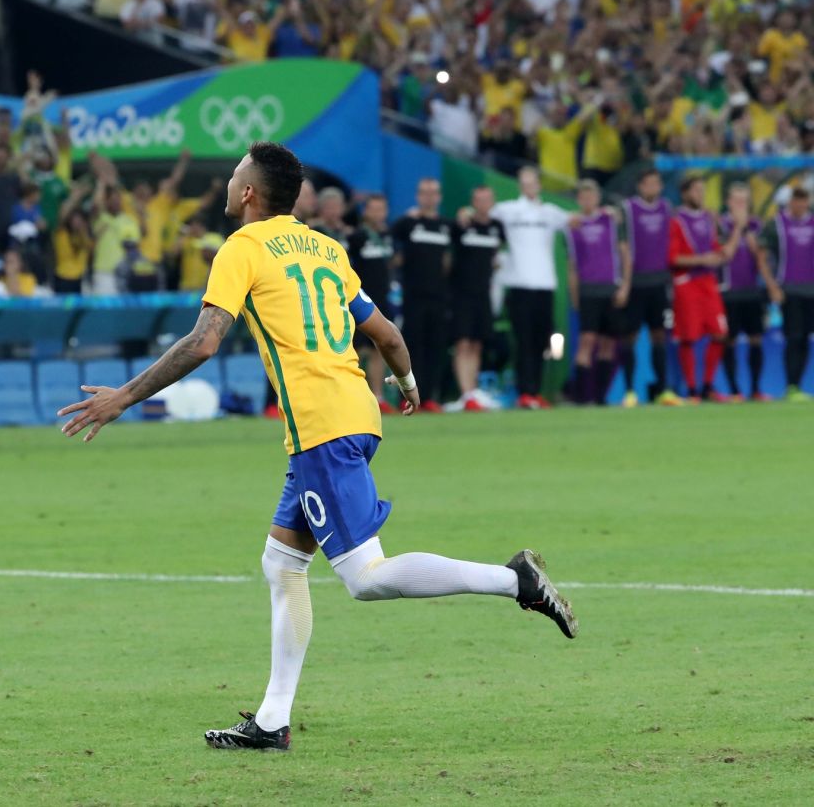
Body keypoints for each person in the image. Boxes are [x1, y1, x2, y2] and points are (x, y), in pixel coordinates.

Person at [56, 141, 577, 751]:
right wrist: (407, 385)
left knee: (366, 578)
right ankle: (272, 722)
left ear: (249, 193)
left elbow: (203, 342)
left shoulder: (242, 248)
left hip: (321, 429)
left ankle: (514, 580)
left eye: (234, 175)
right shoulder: (325, 248)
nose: (229, 183)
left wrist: (123, 397)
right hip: (354, 412)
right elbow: (383, 332)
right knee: (282, 564)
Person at [492, 167, 571, 409]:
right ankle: (524, 392)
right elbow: (480, 214)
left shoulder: (550, 213)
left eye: (533, 182)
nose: (529, 187)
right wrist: (465, 212)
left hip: (545, 285)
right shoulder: (508, 210)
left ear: (539, 185)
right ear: (519, 185)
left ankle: (535, 392)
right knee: (523, 341)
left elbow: (578, 221)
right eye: (524, 182)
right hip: (519, 286)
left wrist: (608, 213)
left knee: (541, 341)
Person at [669, 176, 743, 403]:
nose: (701, 195)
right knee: (688, 337)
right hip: (687, 284)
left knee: (720, 334)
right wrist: (703, 259)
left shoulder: (708, 219)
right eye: (696, 191)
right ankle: (692, 390)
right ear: (685, 193)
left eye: (703, 190)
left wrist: (739, 227)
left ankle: (708, 386)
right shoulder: (676, 221)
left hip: (708, 284)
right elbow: (673, 258)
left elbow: (722, 253)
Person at [391, 178, 453, 412]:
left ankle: (429, 397)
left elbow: (448, 260)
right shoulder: (407, 223)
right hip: (413, 296)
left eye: (433, 193)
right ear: (418, 196)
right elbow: (390, 246)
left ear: (439, 197)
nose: (429, 197)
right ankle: (408, 397)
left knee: (436, 347)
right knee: (412, 348)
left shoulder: (446, 226)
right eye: (425, 193)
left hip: (438, 297)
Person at [566, 181, 631, 405]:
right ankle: (582, 397)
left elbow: (624, 254)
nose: (587, 201)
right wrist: (575, 295)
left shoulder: (610, 220)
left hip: (610, 288)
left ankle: (601, 396)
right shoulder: (574, 226)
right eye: (583, 197)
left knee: (608, 343)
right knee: (587, 341)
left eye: (591, 196)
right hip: (588, 290)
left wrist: (625, 286)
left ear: (598, 198)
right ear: (578, 200)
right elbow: (572, 266)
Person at [620, 169, 674, 406]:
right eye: (648, 184)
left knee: (659, 335)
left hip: (659, 282)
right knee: (630, 336)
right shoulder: (627, 209)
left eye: (656, 183)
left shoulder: (667, 208)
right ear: (640, 186)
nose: (653, 188)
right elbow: (621, 245)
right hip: (636, 282)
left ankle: (662, 390)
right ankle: (630, 391)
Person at [719, 184, 778, 401]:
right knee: (729, 340)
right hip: (728, 291)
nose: (741, 206)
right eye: (737, 201)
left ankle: (755, 389)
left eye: (744, 201)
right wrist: (737, 229)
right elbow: (725, 254)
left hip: (752, 291)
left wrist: (750, 236)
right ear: (728, 202)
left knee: (756, 339)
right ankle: (734, 390)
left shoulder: (757, 226)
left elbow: (762, 258)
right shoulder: (721, 225)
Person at [450, 186, 505, 410]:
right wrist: (462, 215)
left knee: (477, 344)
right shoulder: (463, 224)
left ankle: (472, 391)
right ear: (473, 201)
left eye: (487, 200)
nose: (483, 204)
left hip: (484, 293)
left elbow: (496, 256)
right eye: (478, 200)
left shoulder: (496, 228)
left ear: (492, 202)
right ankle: (465, 394)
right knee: (463, 343)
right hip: (462, 292)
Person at [759, 187, 814, 401]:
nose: (800, 205)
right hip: (789, 290)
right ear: (789, 202)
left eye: (804, 201)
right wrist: (772, 286)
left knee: (806, 338)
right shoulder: (777, 225)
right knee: (794, 337)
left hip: (811, 291)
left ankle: (798, 386)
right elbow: (762, 257)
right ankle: (792, 386)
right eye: (796, 201)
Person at [346, 194, 396, 412]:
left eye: (382, 209)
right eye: (373, 209)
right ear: (366, 211)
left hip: (383, 299)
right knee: (356, 350)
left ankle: (378, 396)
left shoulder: (387, 235)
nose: (378, 214)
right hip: (359, 299)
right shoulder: (356, 237)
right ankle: (351, 397)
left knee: (379, 348)